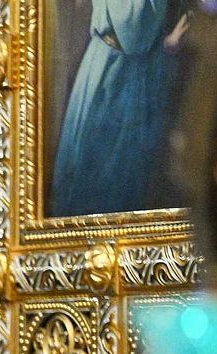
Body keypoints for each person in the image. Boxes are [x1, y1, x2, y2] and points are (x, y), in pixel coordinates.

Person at [50, 0, 189, 216]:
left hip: (122, 69)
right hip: (118, 76)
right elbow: (133, 33)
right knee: (102, 177)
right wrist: (170, 43)